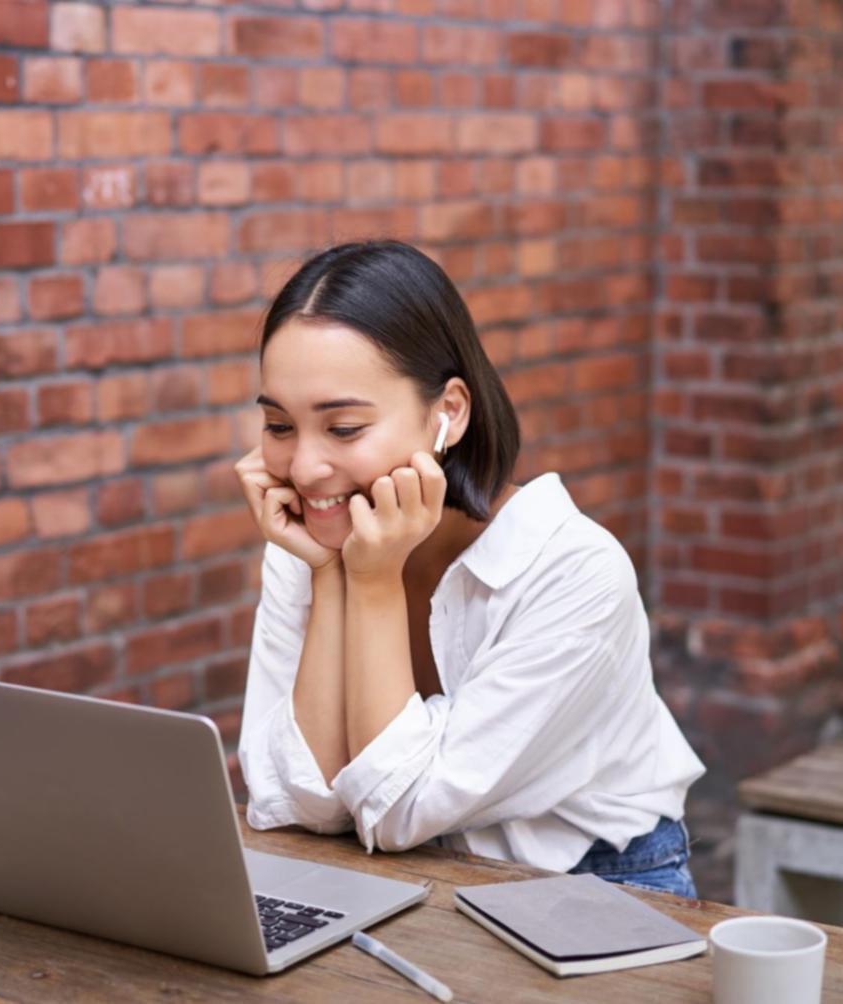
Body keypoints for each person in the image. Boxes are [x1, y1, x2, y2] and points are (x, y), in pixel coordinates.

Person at [234, 240, 706, 897]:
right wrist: (329, 574)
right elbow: (298, 804)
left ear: (447, 413)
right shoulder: (310, 543)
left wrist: (369, 583)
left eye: (342, 429)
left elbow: (397, 812)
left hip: (592, 888)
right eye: (279, 426)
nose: (306, 468)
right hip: (398, 879)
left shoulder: (573, 571)